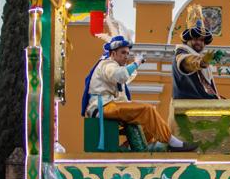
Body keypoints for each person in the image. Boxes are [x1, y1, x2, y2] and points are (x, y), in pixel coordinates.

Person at [82, 15, 197, 152]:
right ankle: (171, 141)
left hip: (108, 106)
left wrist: (133, 67)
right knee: (146, 110)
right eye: (123, 53)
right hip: (102, 108)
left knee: (149, 115)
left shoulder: (114, 67)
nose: (126, 56)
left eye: (128, 53)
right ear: (113, 53)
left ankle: (128, 147)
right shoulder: (107, 64)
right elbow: (120, 76)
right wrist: (136, 63)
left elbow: (124, 78)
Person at [172, 4, 230, 153]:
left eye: (202, 40)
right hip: (190, 99)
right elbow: (187, 64)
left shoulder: (197, 56)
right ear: (188, 40)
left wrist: (203, 61)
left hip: (198, 98)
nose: (199, 43)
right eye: (196, 39)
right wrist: (200, 62)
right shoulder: (182, 53)